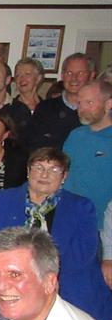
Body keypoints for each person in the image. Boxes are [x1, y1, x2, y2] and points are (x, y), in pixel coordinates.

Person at [0, 147, 112, 320]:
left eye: (54, 169)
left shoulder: (81, 207)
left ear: (64, 176)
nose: (45, 174)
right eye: (39, 167)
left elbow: (82, 257)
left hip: (69, 285)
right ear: (28, 171)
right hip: (12, 283)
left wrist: (41, 285)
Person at [63, 78, 112, 230]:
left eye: (89, 103)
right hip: (69, 218)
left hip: (102, 225)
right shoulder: (76, 135)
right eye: (79, 103)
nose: (82, 108)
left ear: (109, 104)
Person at [28, 53, 94, 150]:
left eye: (80, 73)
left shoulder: (98, 111)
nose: (74, 78)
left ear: (91, 76)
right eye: (69, 73)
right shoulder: (45, 108)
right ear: (62, 76)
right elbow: (32, 145)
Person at [7, 57, 45, 149]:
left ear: (38, 78)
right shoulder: (9, 110)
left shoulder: (47, 108)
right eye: (18, 75)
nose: (21, 79)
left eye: (27, 74)